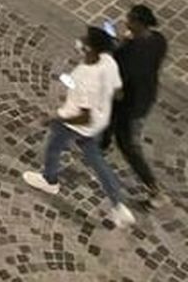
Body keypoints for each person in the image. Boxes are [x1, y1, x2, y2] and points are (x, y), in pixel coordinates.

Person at [22, 25, 133, 228]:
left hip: (77, 123)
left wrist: (56, 119)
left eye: (85, 39)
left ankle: (50, 180)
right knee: (96, 161)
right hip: (98, 124)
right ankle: (118, 205)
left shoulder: (85, 77)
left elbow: (83, 117)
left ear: (90, 48)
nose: (80, 40)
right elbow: (118, 92)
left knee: (54, 147)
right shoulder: (108, 62)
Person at [102, 5, 168, 205]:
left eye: (129, 19)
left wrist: (117, 47)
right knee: (109, 117)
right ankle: (102, 143)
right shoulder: (158, 40)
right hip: (146, 96)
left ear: (138, 23)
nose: (126, 22)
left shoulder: (129, 51)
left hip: (129, 104)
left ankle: (154, 189)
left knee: (128, 145)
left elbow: (119, 76)